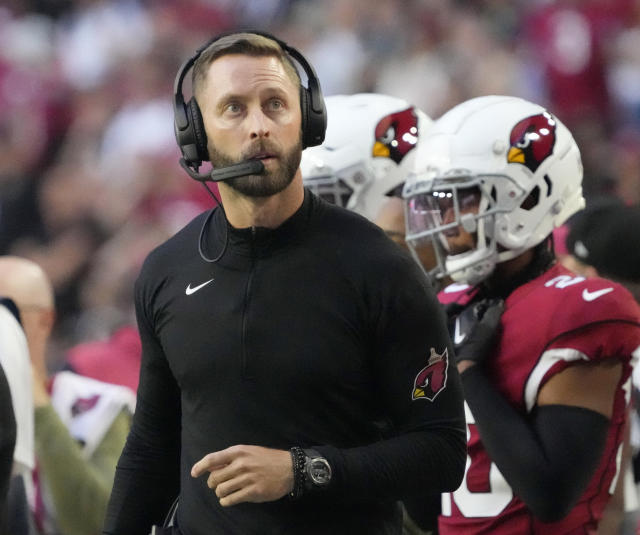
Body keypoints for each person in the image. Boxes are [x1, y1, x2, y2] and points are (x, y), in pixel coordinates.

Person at [103, 31, 466, 535]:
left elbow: (442, 452)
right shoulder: (167, 269)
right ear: (196, 132)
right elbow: (151, 445)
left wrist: (303, 470)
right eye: (233, 108)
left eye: (275, 104)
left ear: (307, 119)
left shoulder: (381, 269)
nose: (259, 126)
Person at [403, 95, 640, 534]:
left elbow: (550, 493)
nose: (447, 220)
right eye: (439, 201)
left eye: (465, 199)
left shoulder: (580, 307)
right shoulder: (448, 303)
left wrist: (469, 373)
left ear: (529, 197)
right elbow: (424, 502)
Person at [0, 256, 136, 535]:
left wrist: (40, 409)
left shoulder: (98, 407)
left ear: (45, 321)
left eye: (6, 313)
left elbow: (98, 522)